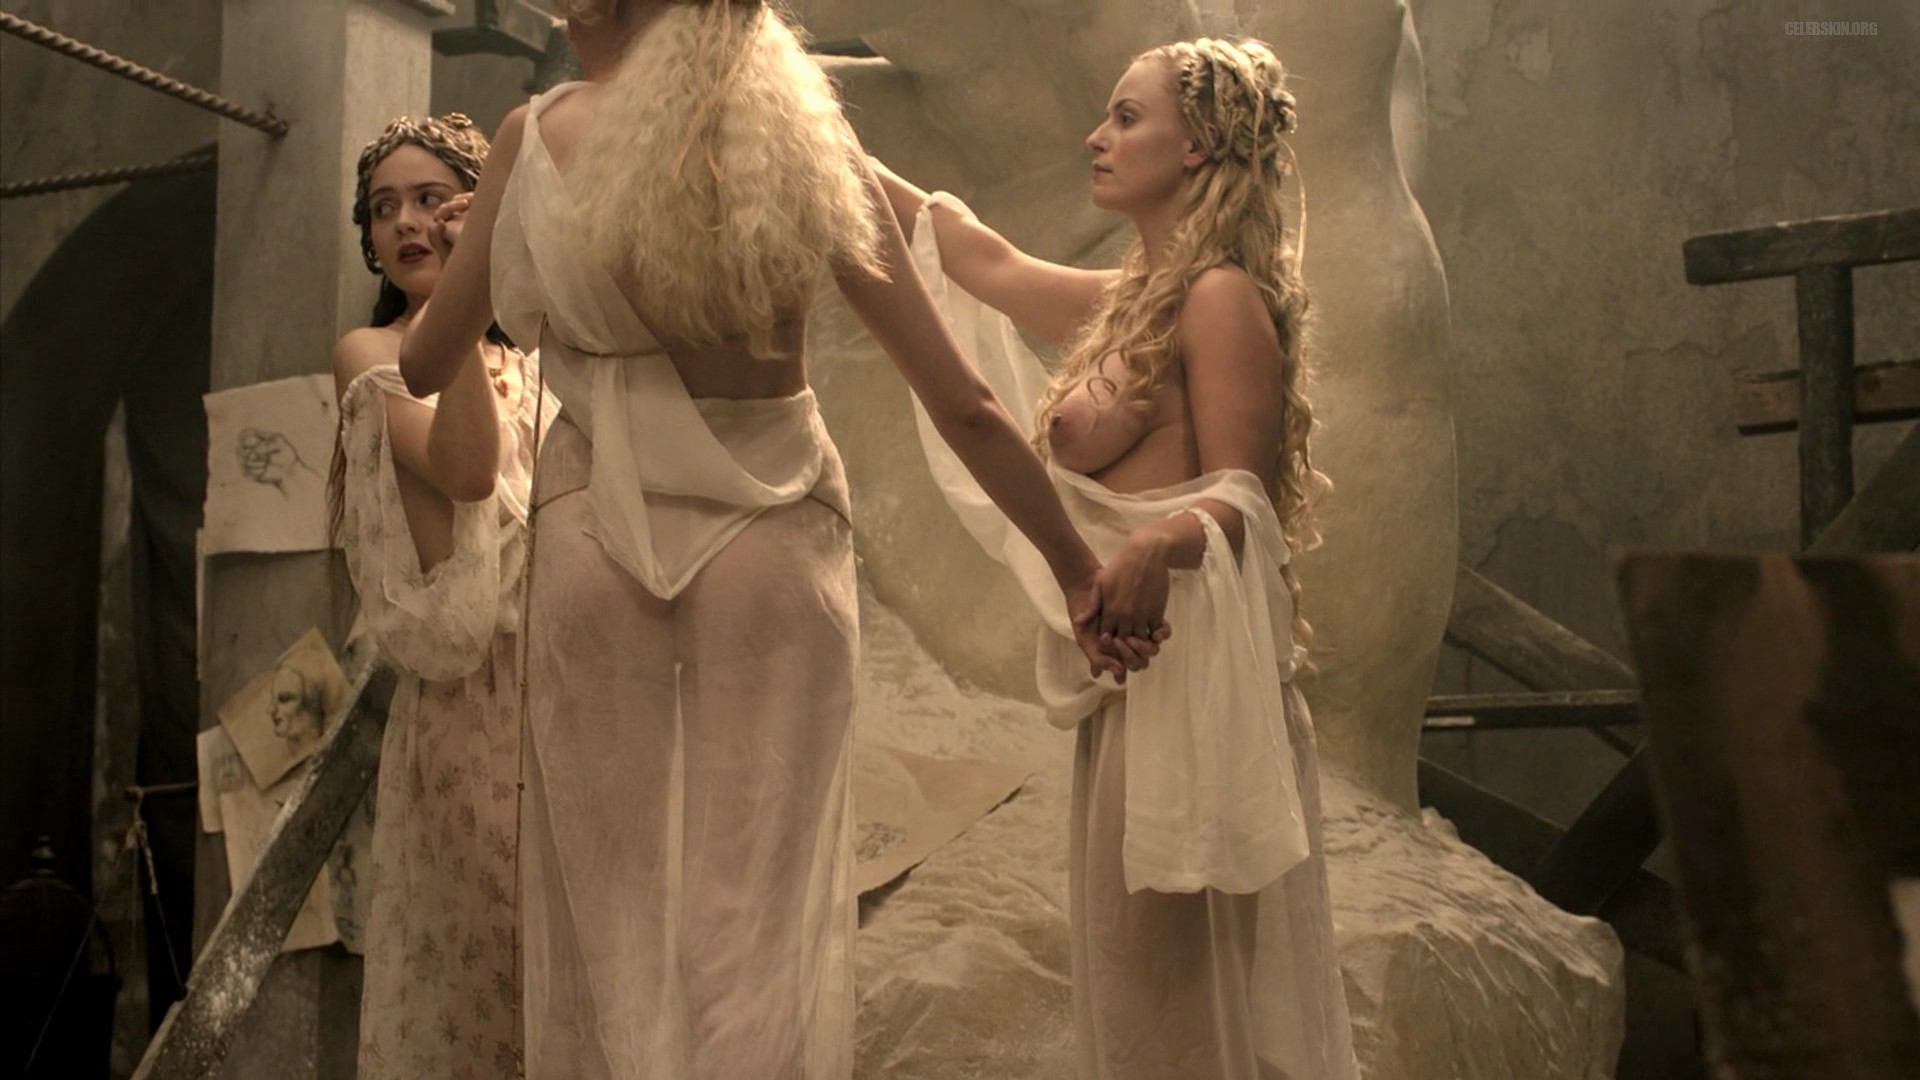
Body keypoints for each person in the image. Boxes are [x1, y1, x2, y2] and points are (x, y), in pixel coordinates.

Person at [394, 2, 1149, 1076]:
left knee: (612, 906)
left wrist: (463, 250)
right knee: (755, 920)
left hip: (591, 531)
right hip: (774, 537)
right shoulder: (799, 134)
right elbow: (967, 402)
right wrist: (1075, 570)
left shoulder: (535, 135)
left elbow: (424, 364)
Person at [875, 35, 1360, 1080]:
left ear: (1198, 145)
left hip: (1191, 676)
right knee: (1136, 985)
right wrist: (807, 128)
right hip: (1135, 674)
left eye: (1127, 118)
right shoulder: (1136, 299)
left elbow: (1243, 497)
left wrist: (1154, 540)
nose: (1098, 138)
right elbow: (978, 258)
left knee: (1176, 999)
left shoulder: (1220, 296)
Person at [329, 113, 552, 1080]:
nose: (407, 224)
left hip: (574, 688)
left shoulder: (540, 356)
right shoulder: (371, 353)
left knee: (580, 968)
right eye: (385, 210)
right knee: (489, 975)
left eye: (431, 200)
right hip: (470, 712)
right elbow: (468, 470)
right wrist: (460, 306)